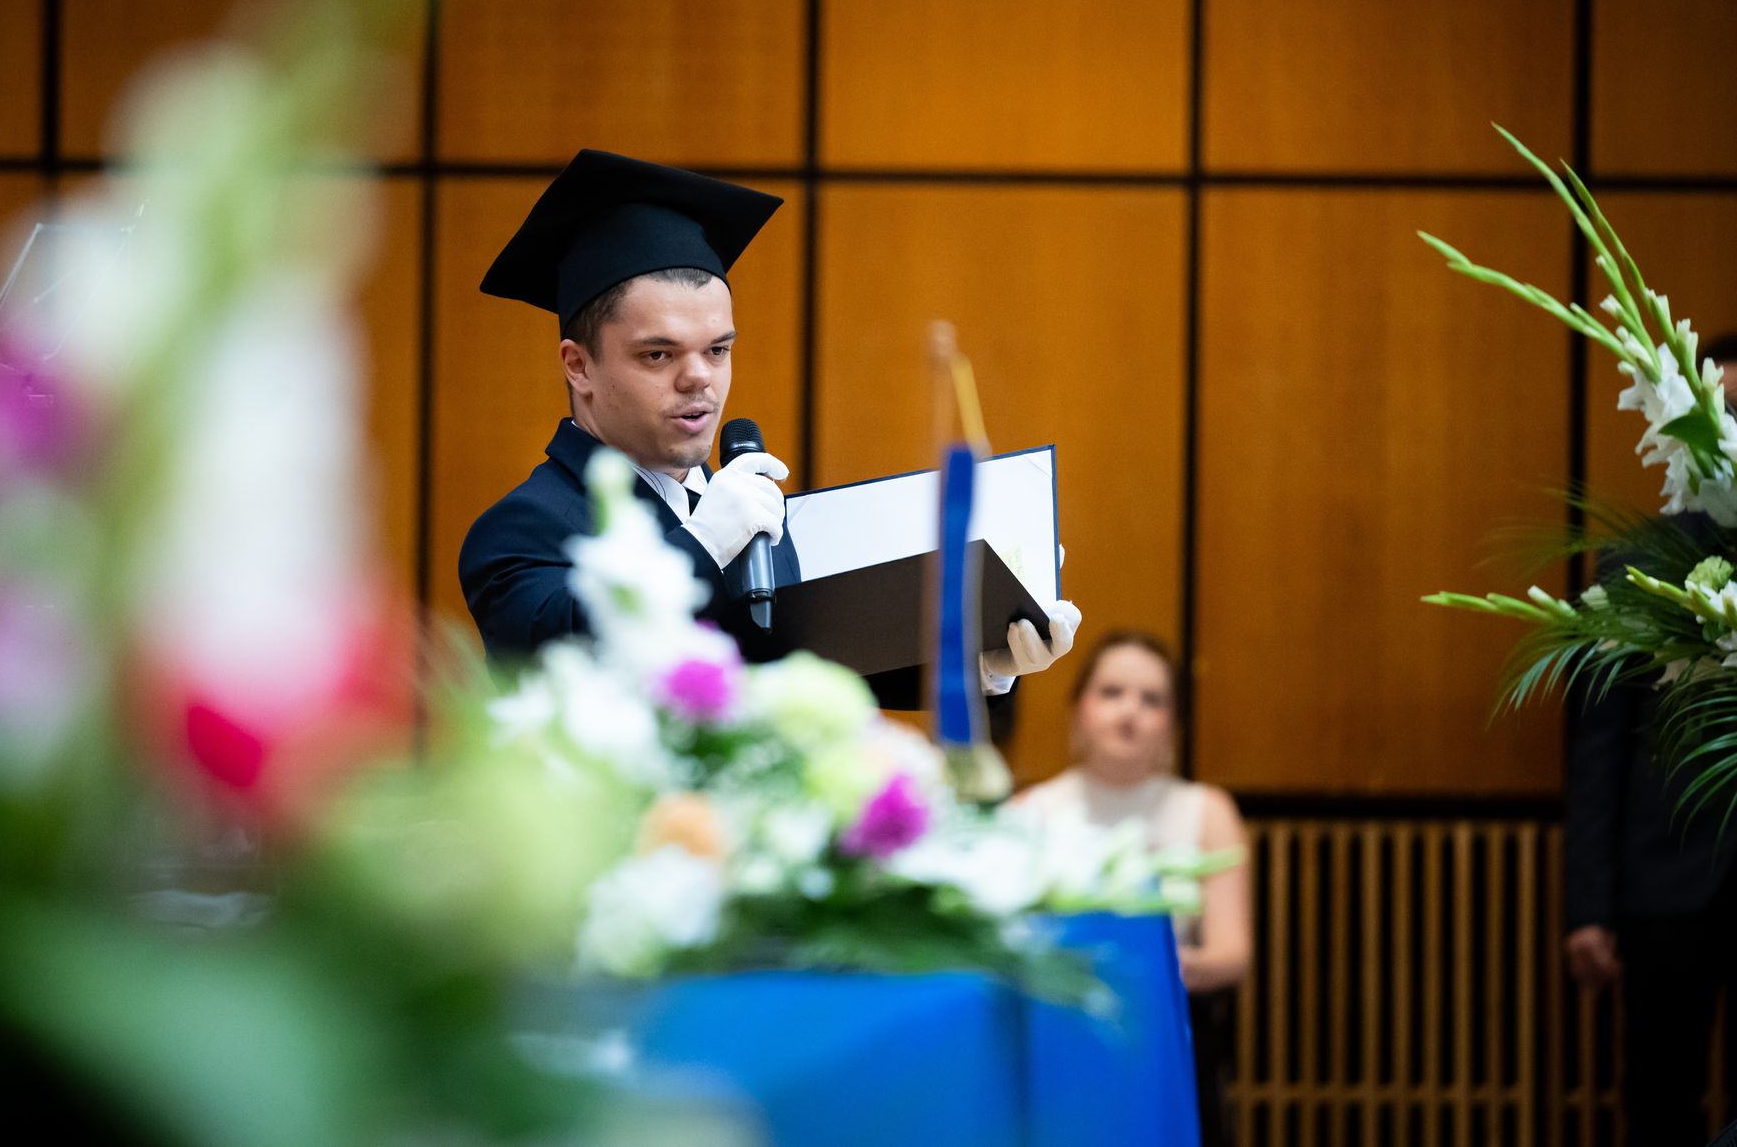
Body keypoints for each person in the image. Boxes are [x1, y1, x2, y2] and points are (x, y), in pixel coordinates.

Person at [458, 149, 1080, 698]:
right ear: (579, 366)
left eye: (717, 349)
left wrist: (983, 659)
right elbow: (558, 658)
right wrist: (702, 545)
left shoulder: (742, 513)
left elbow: (799, 665)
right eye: (659, 355)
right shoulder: (523, 528)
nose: (699, 378)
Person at [1564, 412, 1737, 1147]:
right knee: (1659, 1095)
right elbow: (1598, 745)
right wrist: (1588, 905)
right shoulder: (1636, 564)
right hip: (1667, 872)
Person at [1007, 629, 1250, 1145]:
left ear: (1173, 724)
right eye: (1111, 692)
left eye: (1152, 699)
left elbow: (1232, 954)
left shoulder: (1209, 811)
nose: (1129, 711)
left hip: (1167, 1026)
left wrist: (1146, 966)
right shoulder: (1029, 812)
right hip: (1055, 1026)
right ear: (1078, 709)